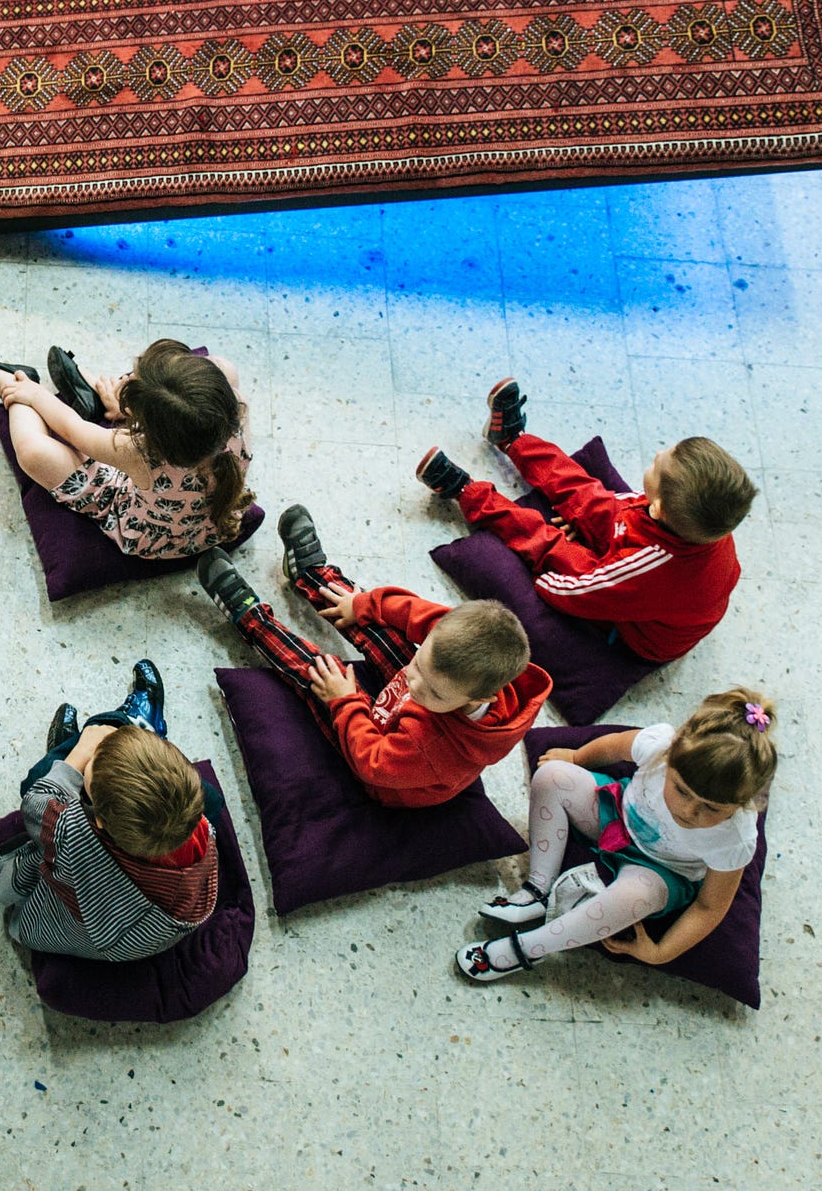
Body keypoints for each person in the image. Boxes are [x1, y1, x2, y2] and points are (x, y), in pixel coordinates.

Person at [194, 505, 547, 807]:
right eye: (419, 666)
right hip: (410, 730)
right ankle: (314, 575)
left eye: (434, 691)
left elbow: (372, 763)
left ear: (480, 698)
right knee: (375, 622)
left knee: (321, 672)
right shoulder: (457, 648)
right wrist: (361, 604)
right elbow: (411, 611)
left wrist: (345, 701)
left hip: (382, 760)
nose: (413, 682)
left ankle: (249, 617)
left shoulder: (435, 749)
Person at [417, 378, 754, 662]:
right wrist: (586, 518)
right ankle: (512, 438)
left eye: (659, 465)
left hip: (634, 624)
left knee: (549, 541)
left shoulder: (649, 568)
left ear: (660, 509)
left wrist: (546, 572)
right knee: (581, 489)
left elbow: (575, 592)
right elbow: (624, 507)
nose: (656, 455)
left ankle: (465, 492)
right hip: (642, 547)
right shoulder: (708, 519)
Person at [457, 688, 777, 982]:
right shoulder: (660, 744)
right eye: (681, 790)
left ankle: (529, 948)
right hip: (616, 813)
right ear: (671, 756)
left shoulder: (736, 837)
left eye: (711, 808)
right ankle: (538, 889)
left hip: (661, 871)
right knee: (551, 776)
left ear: (742, 804)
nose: (690, 811)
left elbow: (709, 907)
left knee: (634, 898)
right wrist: (575, 758)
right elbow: (612, 746)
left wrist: (661, 952)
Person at [0, 662, 220, 962]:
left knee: (52, 766)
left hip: (46, 927)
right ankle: (142, 725)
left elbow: (36, 801)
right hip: (140, 936)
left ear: (98, 819)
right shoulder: (200, 826)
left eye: (90, 766)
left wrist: (80, 754)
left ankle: (119, 728)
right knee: (202, 794)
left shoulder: (71, 832)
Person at [0, 340, 253, 560]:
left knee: (35, 453)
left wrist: (33, 394)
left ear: (140, 426)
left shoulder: (137, 452)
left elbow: (75, 430)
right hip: (207, 525)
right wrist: (127, 406)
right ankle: (99, 398)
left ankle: (10, 381)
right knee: (224, 367)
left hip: (152, 533)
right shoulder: (237, 407)